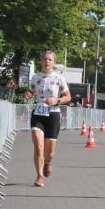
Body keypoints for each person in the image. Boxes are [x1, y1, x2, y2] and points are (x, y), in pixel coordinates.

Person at [25, 51, 71, 187]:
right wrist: (28, 94)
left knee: (49, 152)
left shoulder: (59, 78)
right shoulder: (35, 77)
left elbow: (68, 97)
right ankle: (39, 176)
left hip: (53, 115)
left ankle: (48, 162)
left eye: (50, 60)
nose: (47, 62)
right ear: (41, 61)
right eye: (45, 59)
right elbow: (31, 91)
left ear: (54, 63)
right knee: (38, 147)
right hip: (38, 113)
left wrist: (57, 100)